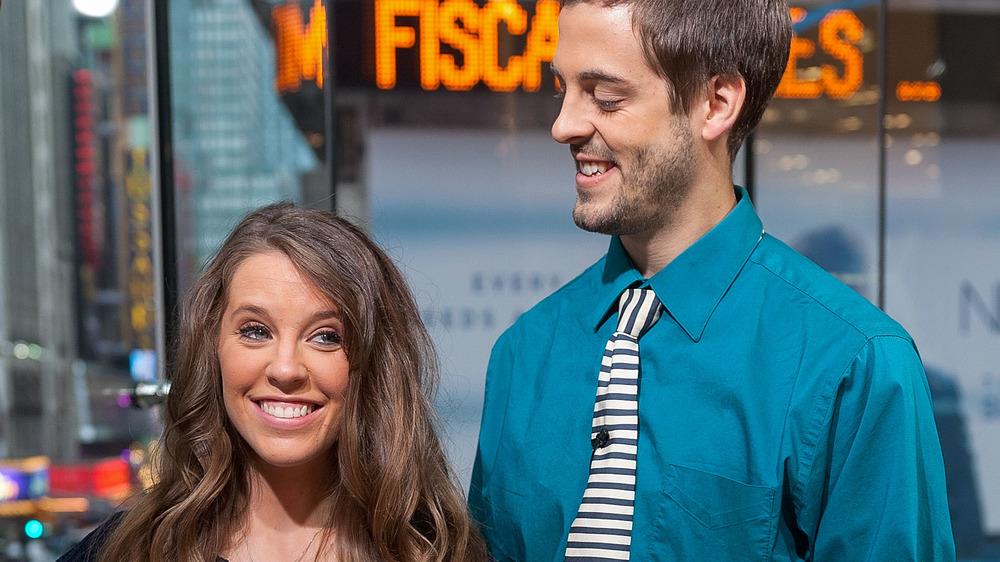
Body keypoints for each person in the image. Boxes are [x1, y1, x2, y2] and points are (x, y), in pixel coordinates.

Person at [468, 0, 955, 560]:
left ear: (715, 103)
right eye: (564, 90)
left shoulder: (854, 365)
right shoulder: (523, 353)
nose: (564, 126)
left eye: (605, 97)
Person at [59, 203, 487, 562]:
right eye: (255, 330)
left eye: (326, 337)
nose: (285, 369)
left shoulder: (435, 550)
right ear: (214, 347)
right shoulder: (128, 549)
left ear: (374, 364)